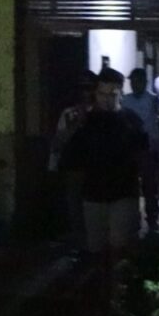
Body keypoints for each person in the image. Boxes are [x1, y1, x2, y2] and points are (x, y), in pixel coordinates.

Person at [61, 68, 149, 281]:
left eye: (112, 93)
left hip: (123, 192)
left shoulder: (131, 121)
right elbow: (71, 155)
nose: (106, 99)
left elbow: (143, 155)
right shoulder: (86, 121)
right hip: (93, 194)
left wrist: (145, 185)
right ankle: (100, 291)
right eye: (102, 93)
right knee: (96, 250)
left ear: (120, 93)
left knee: (120, 248)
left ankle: (118, 291)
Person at [48, 69, 98, 253]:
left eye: (89, 88)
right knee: (75, 208)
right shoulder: (69, 113)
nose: (86, 93)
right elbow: (58, 142)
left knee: (95, 208)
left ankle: (94, 245)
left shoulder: (101, 113)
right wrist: (76, 124)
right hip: (74, 167)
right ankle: (80, 245)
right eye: (82, 88)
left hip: (96, 168)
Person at [122, 68, 159, 233]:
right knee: (130, 185)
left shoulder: (153, 100)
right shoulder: (125, 100)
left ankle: (152, 218)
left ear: (145, 82)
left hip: (148, 148)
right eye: (132, 81)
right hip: (130, 148)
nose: (134, 84)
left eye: (137, 81)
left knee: (149, 186)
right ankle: (134, 218)